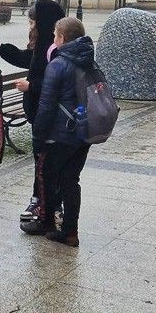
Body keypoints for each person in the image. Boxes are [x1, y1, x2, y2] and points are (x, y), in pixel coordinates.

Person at [0, 0, 66, 222]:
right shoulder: (44, 45)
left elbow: (59, 83)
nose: (30, 26)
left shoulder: (54, 48)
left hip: (48, 114)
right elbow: (26, 59)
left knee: (45, 162)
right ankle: (46, 204)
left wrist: (32, 86)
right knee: (44, 162)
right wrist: (0, 47)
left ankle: (44, 206)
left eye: (32, 22)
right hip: (40, 112)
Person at [25, 16, 94, 247]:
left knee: (46, 177)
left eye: (55, 35)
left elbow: (46, 106)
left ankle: (46, 221)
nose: (53, 39)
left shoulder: (58, 64)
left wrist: (38, 137)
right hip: (83, 132)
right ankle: (70, 231)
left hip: (59, 135)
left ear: (62, 38)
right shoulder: (89, 60)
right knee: (71, 181)